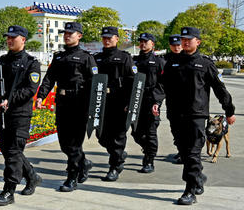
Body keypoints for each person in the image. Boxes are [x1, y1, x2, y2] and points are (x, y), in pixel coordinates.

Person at [161, 27, 235, 205]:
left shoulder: (205, 64)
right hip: (176, 114)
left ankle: (190, 190)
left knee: (193, 152)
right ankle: (198, 177)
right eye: (183, 39)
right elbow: (162, 86)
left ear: (198, 42)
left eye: (189, 39)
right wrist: (156, 103)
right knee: (184, 152)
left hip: (196, 114)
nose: (185, 42)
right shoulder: (171, 63)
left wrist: (229, 110)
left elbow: (220, 89)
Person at [36, 22, 97, 192]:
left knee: (74, 143)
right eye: (65, 33)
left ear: (79, 36)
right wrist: (41, 96)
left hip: (80, 104)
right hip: (63, 104)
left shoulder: (86, 57)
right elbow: (49, 79)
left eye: (71, 33)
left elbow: (95, 83)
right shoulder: (58, 57)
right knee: (64, 143)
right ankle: (83, 163)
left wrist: (94, 107)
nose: (67, 35)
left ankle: (72, 177)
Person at [0, 25, 42, 205]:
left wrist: (10, 100)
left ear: (23, 40)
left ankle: (9, 190)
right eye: (8, 37)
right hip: (3, 113)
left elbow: (30, 89)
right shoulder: (3, 60)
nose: (9, 40)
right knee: (8, 150)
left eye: (14, 37)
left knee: (13, 151)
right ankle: (31, 176)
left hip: (20, 113)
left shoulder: (31, 63)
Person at [94, 26, 135, 181]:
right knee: (101, 135)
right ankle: (118, 153)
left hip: (119, 102)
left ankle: (114, 167)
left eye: (110, 37)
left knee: (118, 135)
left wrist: (129, 103)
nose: (106, 40)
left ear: (117, 39)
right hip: (101, 102)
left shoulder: (124, 58)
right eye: (104, 37)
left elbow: (132, 82)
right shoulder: (97, 58)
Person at [131, 33, 165, 173]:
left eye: (146, 42)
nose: (143, 44)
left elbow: (163, 84)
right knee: (136, 132)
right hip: (137, 99)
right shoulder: (134, 61)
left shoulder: (159, 61)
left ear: (153, 44)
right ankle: (148, 148)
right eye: (141, 42)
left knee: (151, 131)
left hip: (152, 100)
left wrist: (157, 101)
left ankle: (149, 160)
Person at [164, 34, 183, 163]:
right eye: (173, 45)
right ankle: (180, 149)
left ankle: (185, 152)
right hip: (171, 100)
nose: (176, 48)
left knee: (185, 128)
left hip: (186, 101)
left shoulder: (188, 58)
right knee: (175, 127)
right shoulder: (166, 60)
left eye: (178, 45)